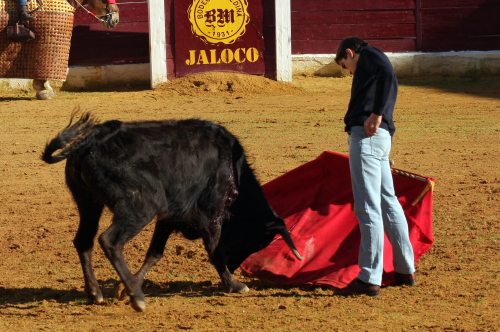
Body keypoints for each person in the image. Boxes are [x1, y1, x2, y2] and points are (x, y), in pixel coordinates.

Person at [333, 37, 416, 297]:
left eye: (347, 65)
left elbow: (389, 75)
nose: (350, 71)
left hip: (367, 137)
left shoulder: (368, 54)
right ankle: (405, 269)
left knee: (368, 207)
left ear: (350, 52)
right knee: (387, 202)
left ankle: (369, 277)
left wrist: (377, 113)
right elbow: (386, 77)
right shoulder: (370, 62)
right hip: (379, 139)